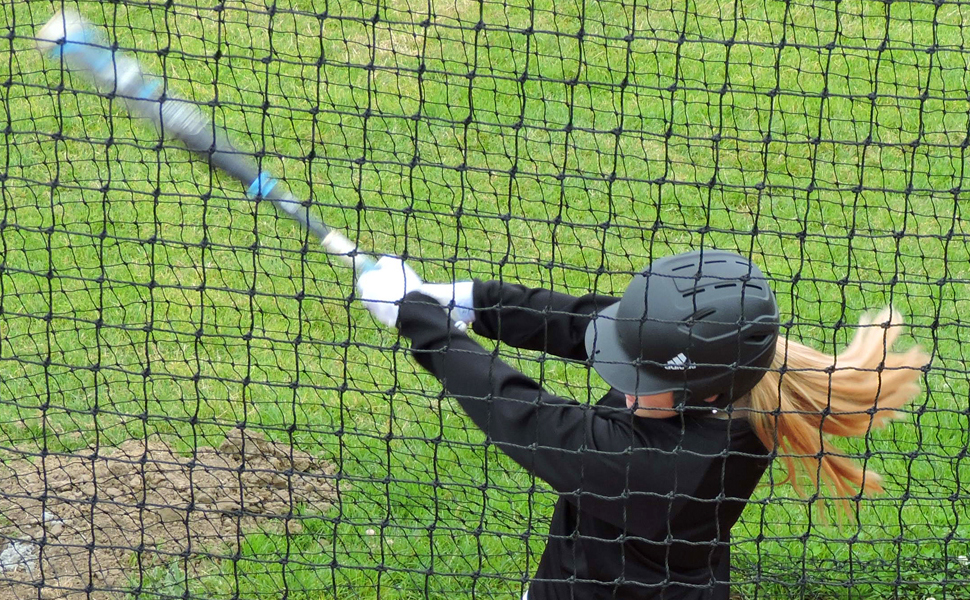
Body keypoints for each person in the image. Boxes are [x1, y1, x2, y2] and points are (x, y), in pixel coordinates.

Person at [354, 249, 928, 600]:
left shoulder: (657, 467)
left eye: (640, 379)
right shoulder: (740, 378)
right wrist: (474, 301)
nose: (623, 384)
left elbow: (527, 417)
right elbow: (592, 324)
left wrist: (422, 323)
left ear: (703, 390)